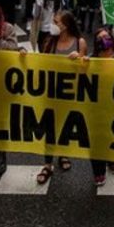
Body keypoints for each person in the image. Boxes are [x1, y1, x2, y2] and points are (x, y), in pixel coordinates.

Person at [36, 10, 87, 185]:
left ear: (66, 25)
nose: (54, 25)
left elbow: (85, 71)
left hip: (69, 94)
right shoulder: (50, 42)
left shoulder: (79, 42)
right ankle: (47, 164)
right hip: (51, 93)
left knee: (65, 127)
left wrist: (79, 59)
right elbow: (42, 64)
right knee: (50, 127)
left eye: (57, 22)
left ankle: (63, 154)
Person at [85, 27, 114, 186]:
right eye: (100, 38)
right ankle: (98, 171)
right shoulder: (92, 59)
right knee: (97, 137)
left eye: (106, 36)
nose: (104, 40)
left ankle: (112, 160)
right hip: (96, 105)